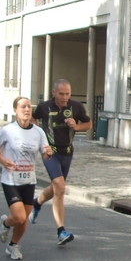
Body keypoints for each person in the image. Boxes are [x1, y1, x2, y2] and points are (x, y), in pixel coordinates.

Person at [28, 79, 92, 245]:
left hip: (67, 152)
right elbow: (33, 120)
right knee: (60, 187)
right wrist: (40, 139)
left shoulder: (76, 107)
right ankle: (61, 231)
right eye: (61, 94)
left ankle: (37, 202)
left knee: (57, 187)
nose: (65, 97)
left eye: (67, 94)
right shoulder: (44, 107)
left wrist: (76, 127)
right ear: (53, 92)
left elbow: (88, 124)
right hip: (50, 152)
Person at [0, 96, 52, 260]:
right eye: (23, 107)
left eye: (29, 107)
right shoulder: (7, 130)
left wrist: (48, 154)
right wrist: (3, 161)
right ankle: (5, 223)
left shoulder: (38, 132)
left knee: (23, 219)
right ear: (15, 110)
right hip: (11, 180)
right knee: (18, 217)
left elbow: (45, 155)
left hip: (29, 180)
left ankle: (13, 245)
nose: (27, 110)